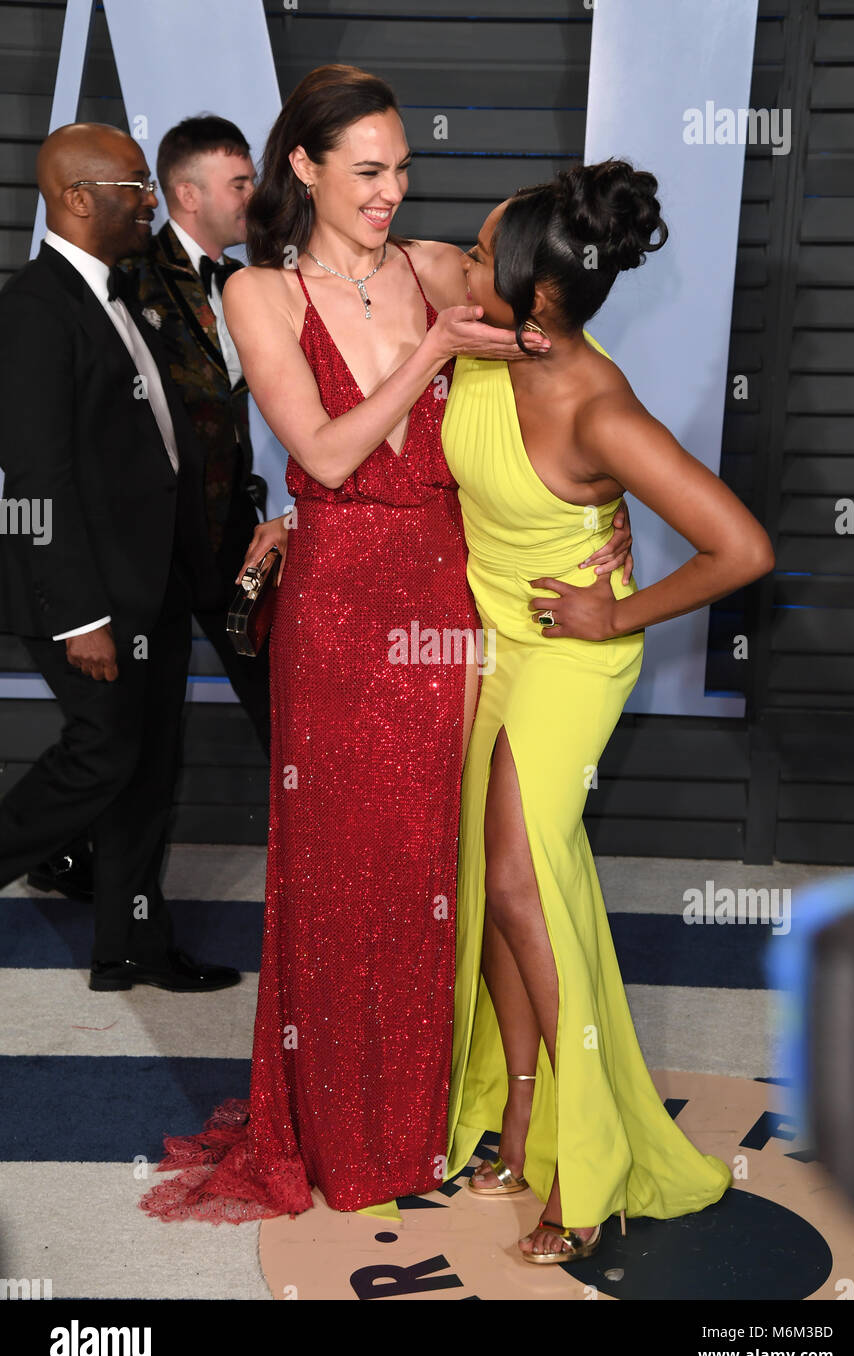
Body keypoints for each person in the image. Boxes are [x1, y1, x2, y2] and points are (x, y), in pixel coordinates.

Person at [139, 67, 633, 1224]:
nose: (392, 192)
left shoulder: (436, 269)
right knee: (337, 865)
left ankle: (425, 1121)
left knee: (430, 868)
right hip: (340, 613)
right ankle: (334, 1125)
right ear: (301, 168)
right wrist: (429, 356)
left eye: (403, 169)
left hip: (446, 600)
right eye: (368, 170)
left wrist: (603, 516)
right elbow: (319, 456)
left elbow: (560, 354)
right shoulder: (257, 292)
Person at [442, 161, 776, 1263]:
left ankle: (586, 1172)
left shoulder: (602, 409)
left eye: (487, 253)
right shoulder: (492, 342)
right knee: (502, 888)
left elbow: (743, 548)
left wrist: (616, 612)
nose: (465, 258)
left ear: (540, 296)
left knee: (517, 882)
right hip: (492, 647)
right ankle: (524, 1115)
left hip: (569, 660)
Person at [0, 122, 240, 994]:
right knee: (103, 756)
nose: (151, 201)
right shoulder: (34, 309)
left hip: (157, 580)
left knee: (148, 763)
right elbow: (32, 481)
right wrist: (78, 617)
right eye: (136, 186)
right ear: (76, 198)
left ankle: (131, 944)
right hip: (93, 595)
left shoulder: (127, 291)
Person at [121, 114, 272, 756]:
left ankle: (321, 845)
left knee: (278, 692)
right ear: (188, 194)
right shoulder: (127, 281)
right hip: (156, 540)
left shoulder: (245, 282)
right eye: (239, 184)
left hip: (234, 528)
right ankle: (70, 856)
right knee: (137, 724)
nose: (254, 197)